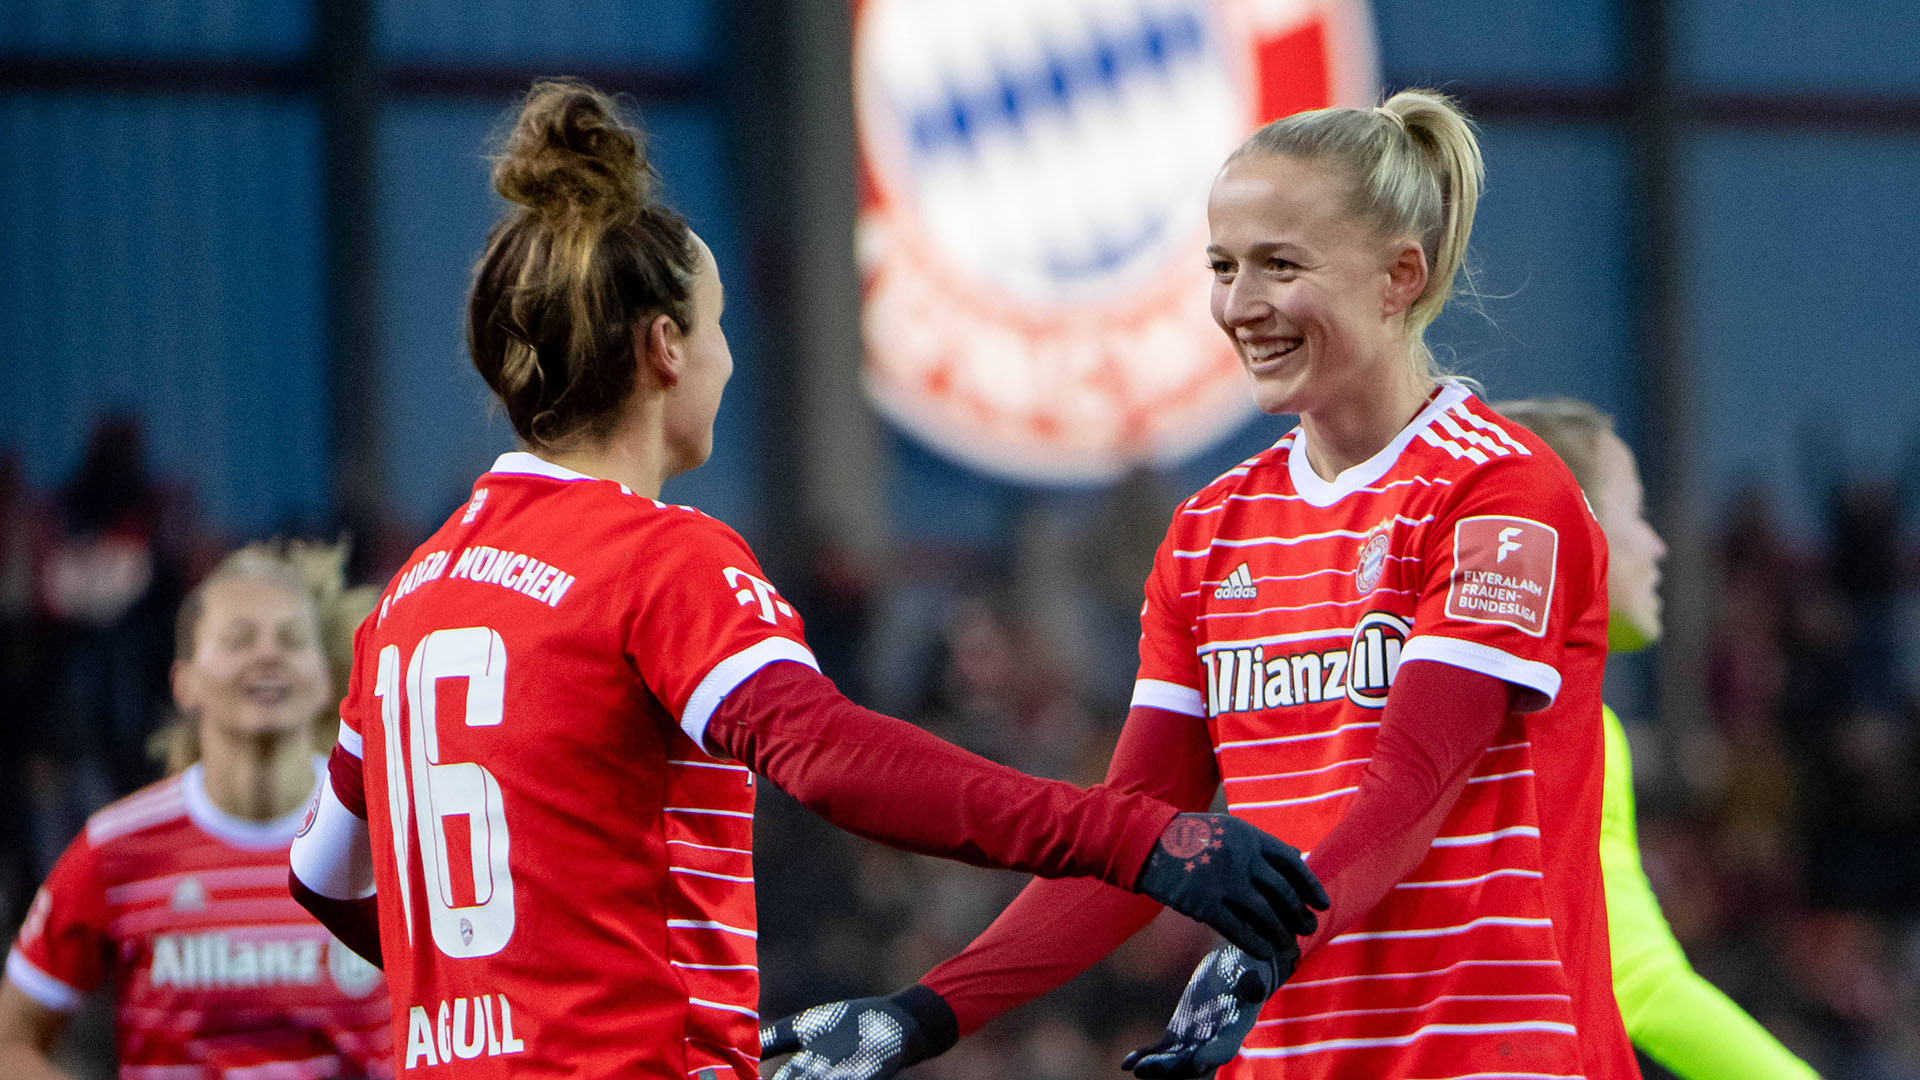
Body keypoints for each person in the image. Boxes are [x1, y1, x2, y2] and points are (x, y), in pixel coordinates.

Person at [286, 79, 1324, 1080]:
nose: (727, 362)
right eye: (718, 326)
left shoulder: (413, 598)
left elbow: (321, 875)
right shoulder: (655, 558)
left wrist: (499, 995)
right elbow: (826, 756)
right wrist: (1134, 834)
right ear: (663, 350)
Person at [763, 89, 1640, 1080]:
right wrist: (921, 1015)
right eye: (1223, 267)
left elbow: (1409, 790)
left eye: (1281, 265)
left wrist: (1259, 953)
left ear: (1401, 277)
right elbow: (1137, 844)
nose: (1240, 304)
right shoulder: (1210, 532)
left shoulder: (1503, 493)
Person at [1495, 397, 1821, 1080]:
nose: (1659, 545)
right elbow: (1641, 985)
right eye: (1635, 512)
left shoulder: (1461, 702)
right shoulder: (1559, 725)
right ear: (1573, 531)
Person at [0, 541, 390, 1080]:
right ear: (183, 682)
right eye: (239, 639)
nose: (267, 654)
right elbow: (10, 1044)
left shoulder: (388, 826)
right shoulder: (116, 850)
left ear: (326, 680)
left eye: (291, 639)